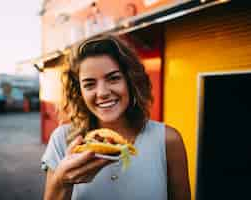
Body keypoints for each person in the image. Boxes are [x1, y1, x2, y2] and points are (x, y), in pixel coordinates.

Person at [41, 34, 191, 200]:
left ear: (130, 81)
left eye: (113, 78)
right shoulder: (63, 140)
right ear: (79, 92)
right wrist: (62, 182)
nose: (103, 93)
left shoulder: (167, 140)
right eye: (89, 84)